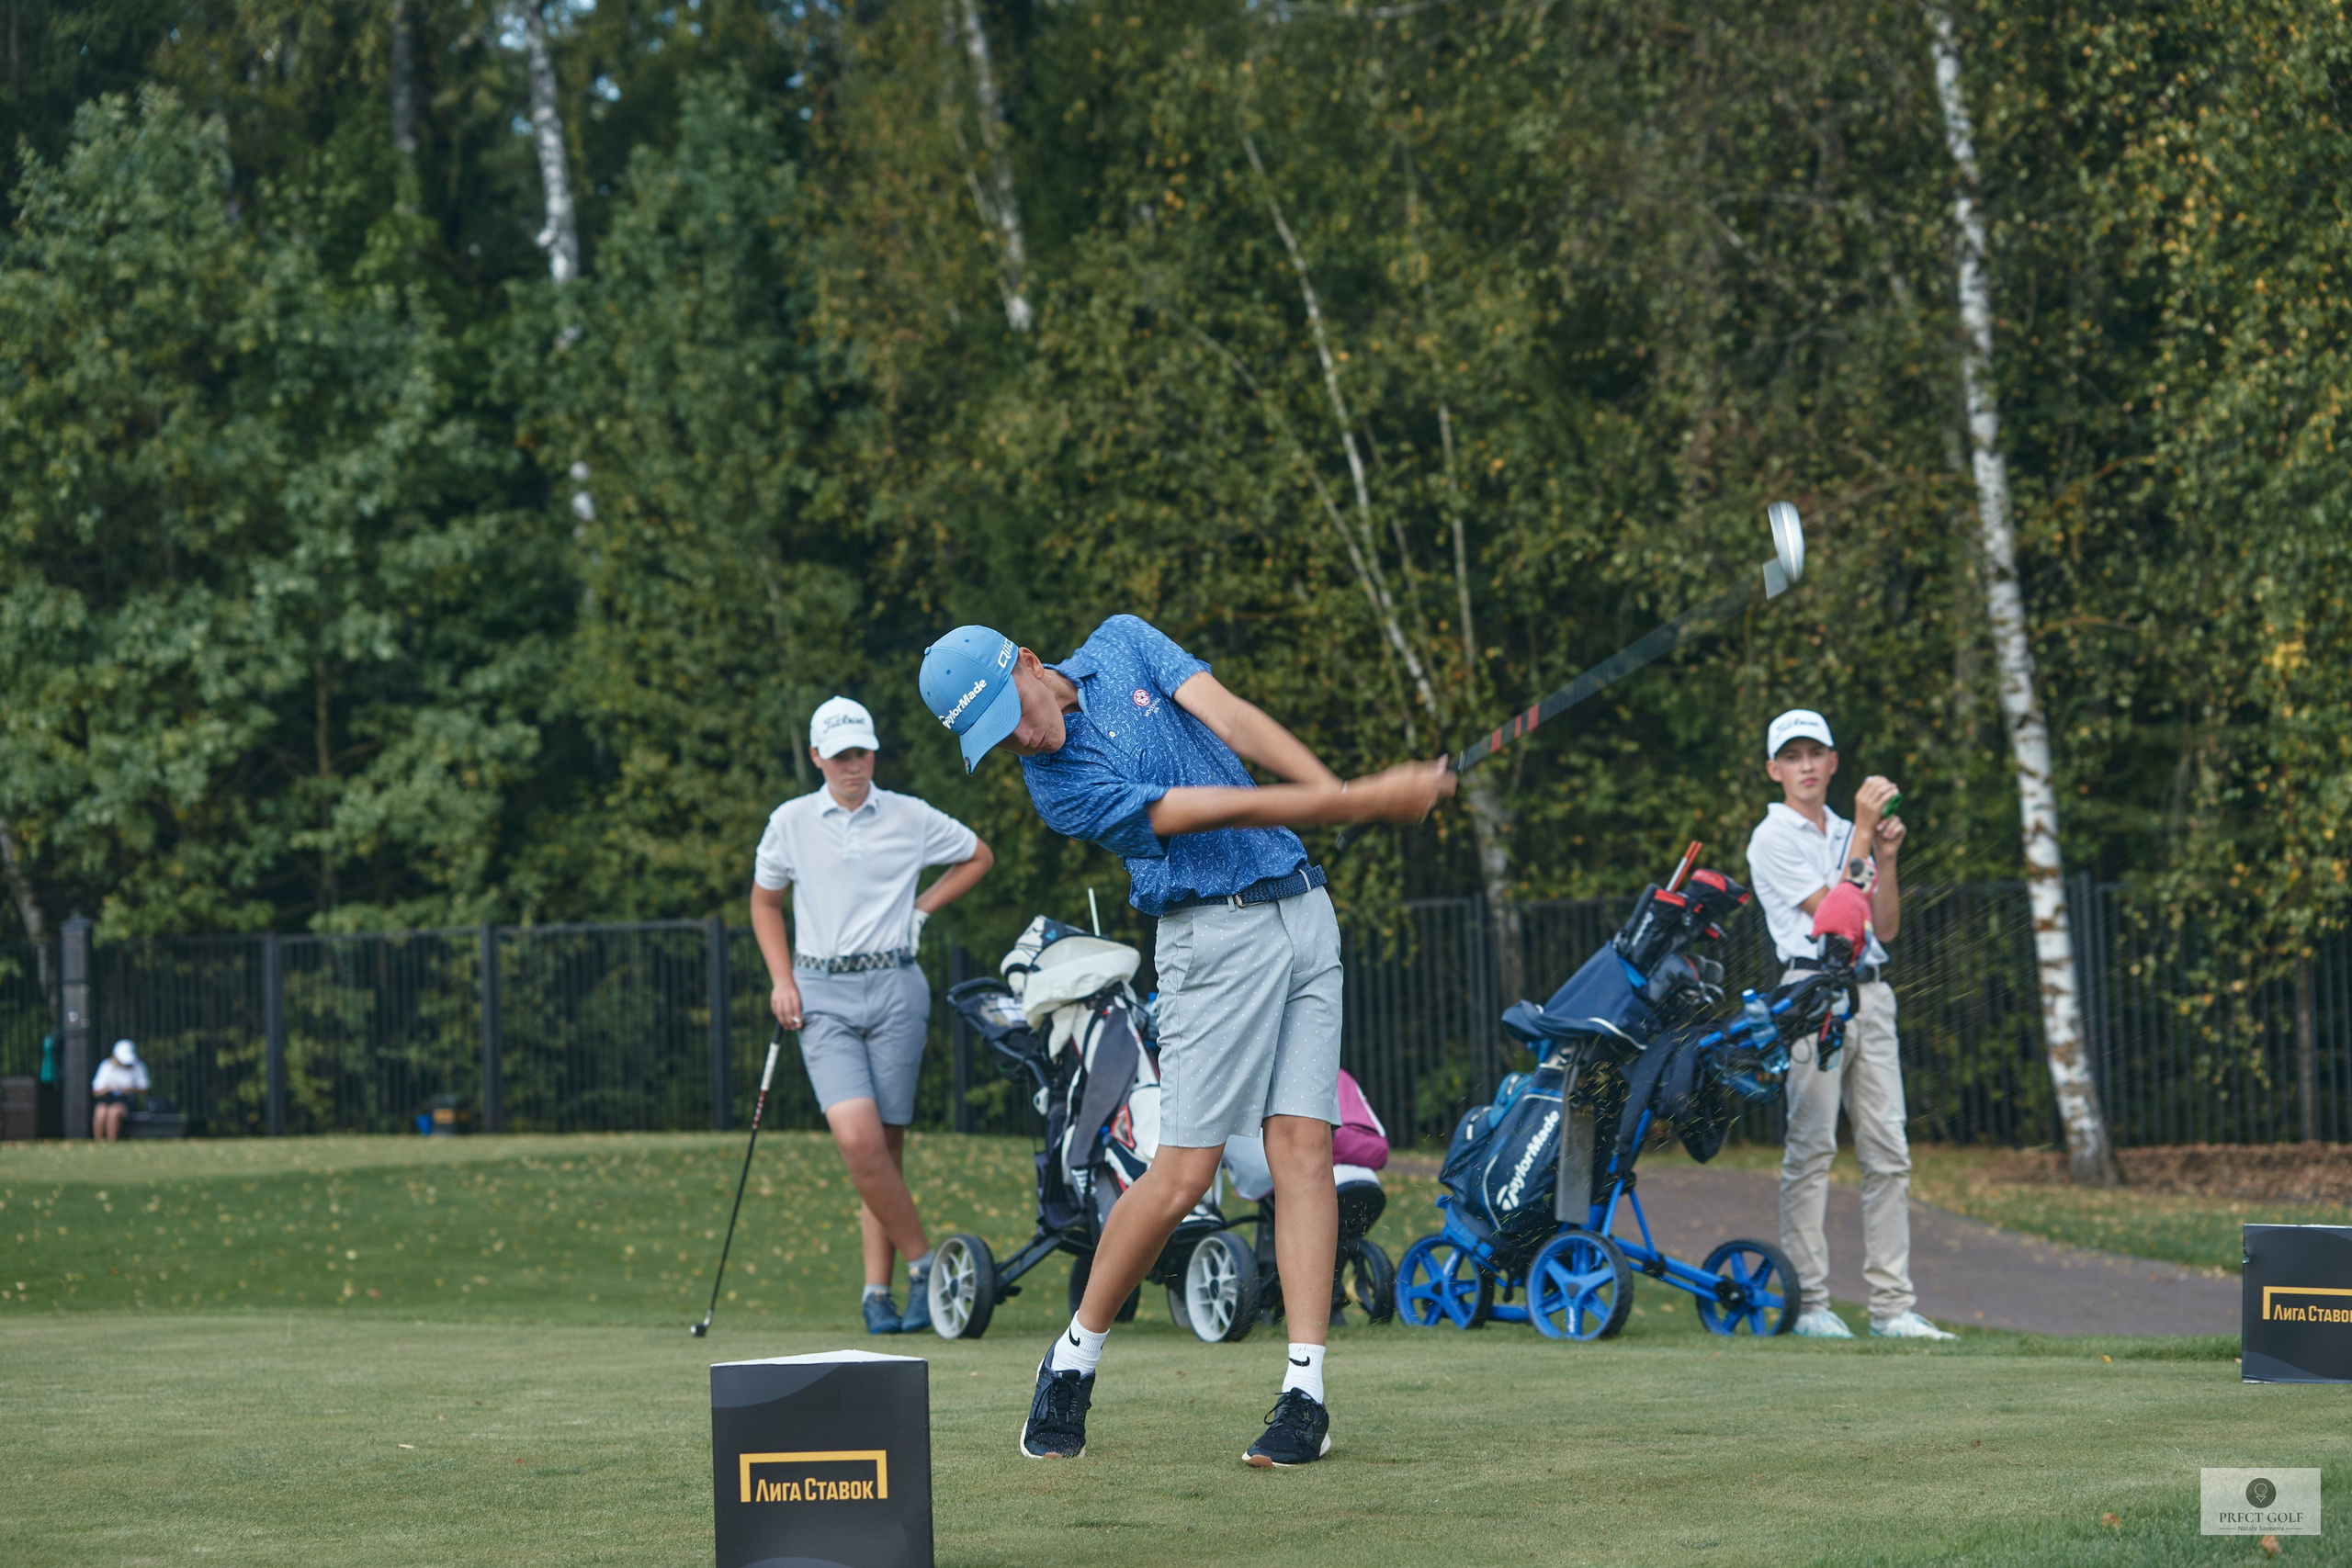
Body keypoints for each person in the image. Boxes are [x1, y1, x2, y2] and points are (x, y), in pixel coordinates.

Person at [918, 616, 1453, 1468]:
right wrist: (1353, 798)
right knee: (1183, 1171)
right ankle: (1073, 1359)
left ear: (1026, 660)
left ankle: (1304, 1397)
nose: (1021, 738)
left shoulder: (1124, 641)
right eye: (996, 739)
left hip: (1303, 915)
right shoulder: (1058, 788)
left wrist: (1347, 792)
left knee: (1304, 1151)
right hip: (1211, 940)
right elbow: (1205, 808)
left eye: (1011, 711)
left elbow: (1232, 719)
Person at [749, 695, 994, 1336]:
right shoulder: (791, 821)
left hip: (895, 988)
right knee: (858, 1140)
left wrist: (920, 910)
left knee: (885, 1147)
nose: (852, 764)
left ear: (874, 751)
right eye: (839, 755)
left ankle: (875, 1294)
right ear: (816, 758)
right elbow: (764, 904)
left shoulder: (909, 816)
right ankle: (924, 1267)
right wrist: (781, 979)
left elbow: (978, 855)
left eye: (860, 751)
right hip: (820, 992)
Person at [1745, 708, 1954, 1341]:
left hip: (1872, 994)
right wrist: (1864, 831)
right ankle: (1809, 1304)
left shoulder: (1846, 830)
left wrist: (1884, 856)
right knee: (1811, 1148)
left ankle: (1892, 1306)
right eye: (1793, 755)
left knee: (1889, 1150)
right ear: (1774, 769)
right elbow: (1835, 918)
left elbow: (1881, 926)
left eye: (1816, 753)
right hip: (1811, 993)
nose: (1806, 765)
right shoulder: (1771, 837)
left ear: (1833, 762)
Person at [91, 1039, 150, 1141]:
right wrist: (109, 1088)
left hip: (127, 1101)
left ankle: (111, 1142)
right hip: (108, 1099)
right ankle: (99, 1142)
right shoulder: (106, 1066)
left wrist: (128, 1089)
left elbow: (145, 1087)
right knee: (101, 1111)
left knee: (114, 1112)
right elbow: (96, 1091)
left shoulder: (138, 1066)